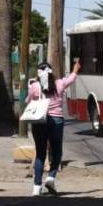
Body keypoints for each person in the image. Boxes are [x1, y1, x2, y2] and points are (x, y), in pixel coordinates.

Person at [26, 58, 80, 196]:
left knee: (40, 154)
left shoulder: (35, 86)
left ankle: (36, 188)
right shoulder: (59, 84)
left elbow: (28, 101)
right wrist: (75, 67)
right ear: (51, 72)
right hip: (56, 121)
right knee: (56, 152)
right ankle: (50, 177)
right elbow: (72, 78)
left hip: (40, 121)